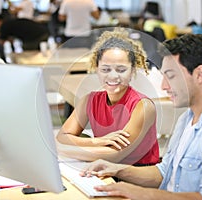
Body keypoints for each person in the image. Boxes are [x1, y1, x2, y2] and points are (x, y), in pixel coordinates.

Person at [81, 34, 202, 200]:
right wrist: (117, 170)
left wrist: (143, 194)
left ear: (199, 74)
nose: (164, 86)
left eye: (171, 76)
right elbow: (164, 172)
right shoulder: (187, 118)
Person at [56, 28, 160, 166]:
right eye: (105, 69)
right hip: (104, 170)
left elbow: (115, 155)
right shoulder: (89, 100)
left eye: (121, 70)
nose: (112, 76)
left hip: (137, 177)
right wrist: (98, 141)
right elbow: (63, 136)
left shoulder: (143, 106)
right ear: (96, 69)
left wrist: (62, 150)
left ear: (133, 70)